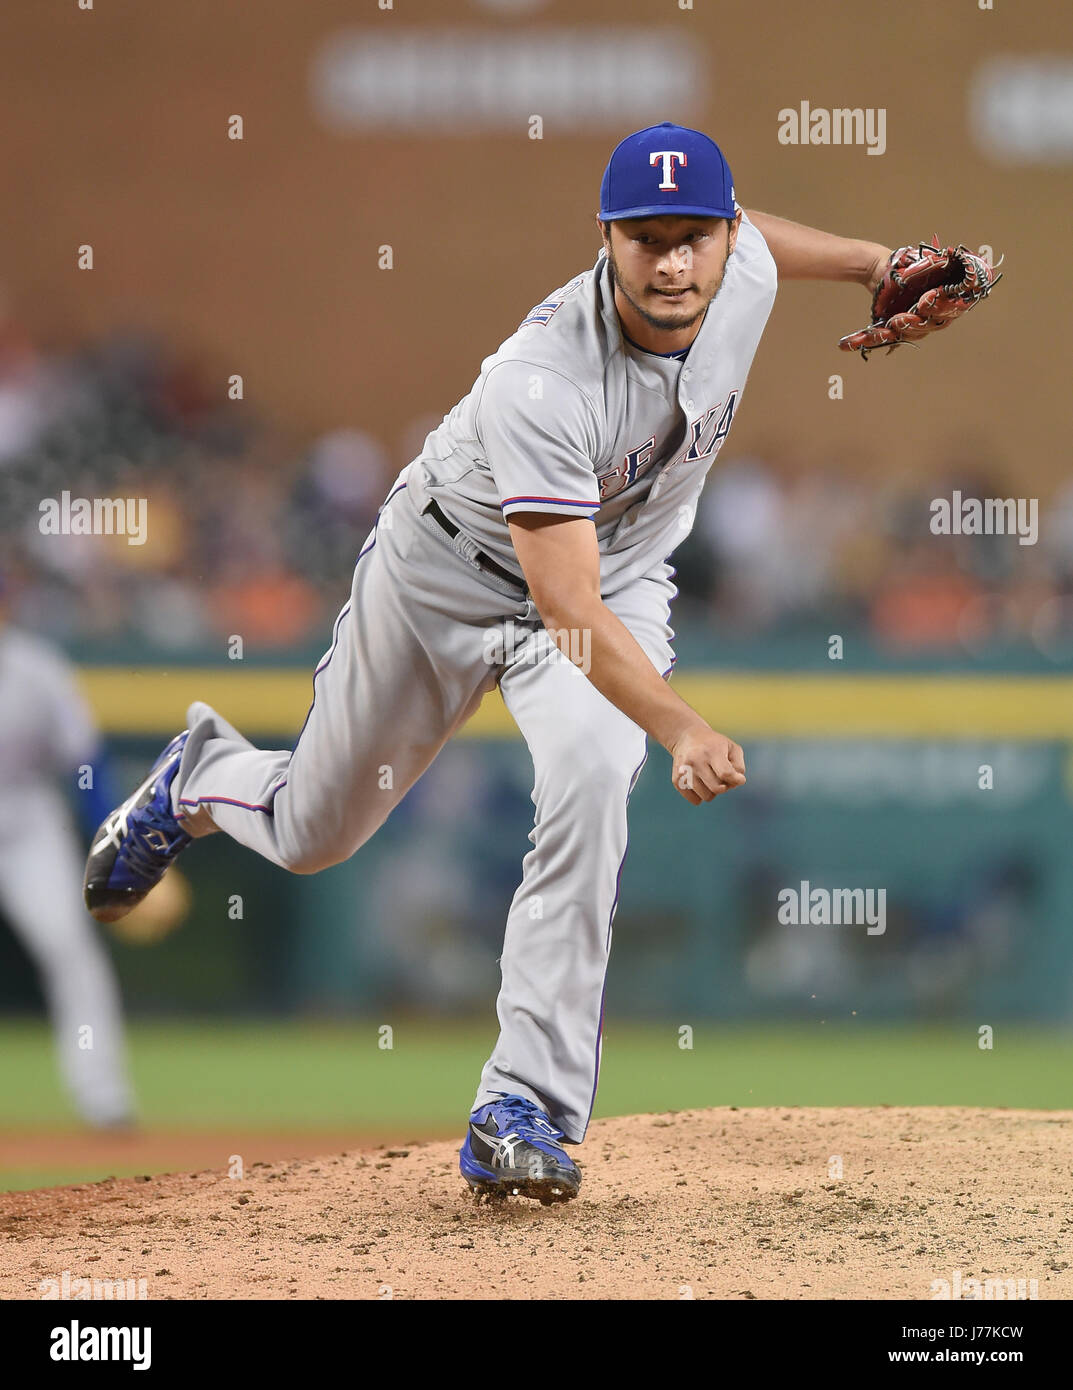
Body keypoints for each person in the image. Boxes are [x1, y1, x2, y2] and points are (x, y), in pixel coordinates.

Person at [83, 123, 891, 1202]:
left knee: (595, 775)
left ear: (720, 234)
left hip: (615, 570)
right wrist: (680, 724)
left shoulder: (734, 267)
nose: (671, 261)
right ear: (604, 238)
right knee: (314, 832)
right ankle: (201, 777)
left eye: (691, 235)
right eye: (644, 237)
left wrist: (877, 265)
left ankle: (521, 1106)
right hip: (446, 574)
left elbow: (762, 248)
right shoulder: (541, 378)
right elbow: (562, 608)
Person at [0, 583, 135, 1128]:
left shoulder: (36, 669)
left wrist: (118, 842)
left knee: (69, 949)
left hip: (28, 826)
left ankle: (104, 1098)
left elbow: (86, 765)